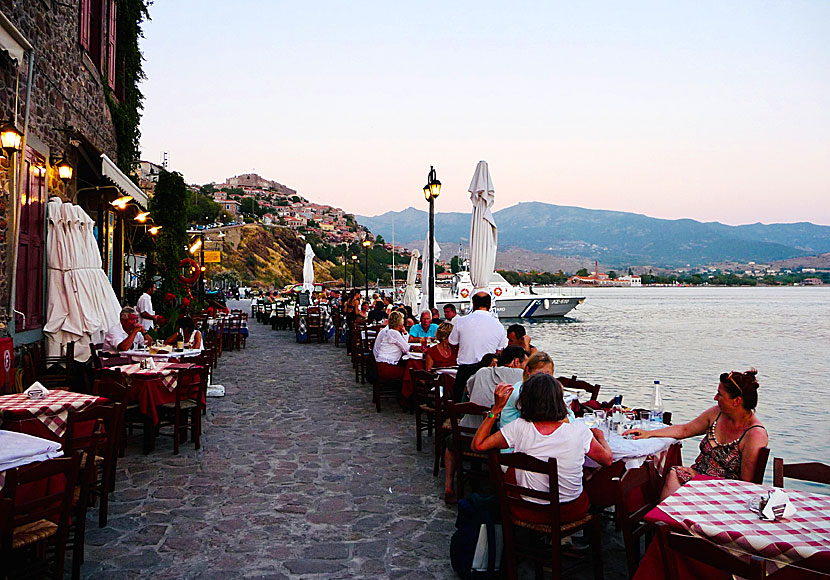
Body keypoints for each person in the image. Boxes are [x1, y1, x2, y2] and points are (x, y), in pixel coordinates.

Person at [471, 374, 613, 522]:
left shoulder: (518, 427)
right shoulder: (579, 430)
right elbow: (607, 460)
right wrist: (600, 437)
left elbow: (478, 445)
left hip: (527, 510)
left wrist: (496, 409)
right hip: (569, 512)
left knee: (514, 471)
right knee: (589, 475)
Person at [624, 369, 768, 501]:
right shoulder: (716, 413)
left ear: (736, 401)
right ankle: (666, 523)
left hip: (725, 492)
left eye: (720, 394)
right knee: (674, 473)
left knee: (674, 480)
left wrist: (706, 484)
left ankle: (668, 522)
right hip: (697, 478)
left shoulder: (754, 434)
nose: (715, 397)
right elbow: (685, 430)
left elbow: (746, 484)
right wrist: (649, 434)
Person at [442, 346, 527, 503]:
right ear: (516, 362)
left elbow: (468, 390)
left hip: (466, 436)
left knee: (450, 445)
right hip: (492, 440)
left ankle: (449, 487)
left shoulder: (482, 371)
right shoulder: (521, 376)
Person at [448, 292, 508, 402]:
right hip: (488, 371)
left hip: (465, 370)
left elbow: (452, 343)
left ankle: (456, 418)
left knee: (458, 404)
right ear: (490, 305)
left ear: (473, 305)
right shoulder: (498, 326)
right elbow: (499, 351)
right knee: (485, 403)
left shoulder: (461, 321)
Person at [371, 311, 411, 380]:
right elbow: (406, 348)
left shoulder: (390, 332)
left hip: (381, 364)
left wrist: (404, 332)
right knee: (410, 372)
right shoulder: (394, 333)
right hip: (386, 367)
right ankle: (407, 390)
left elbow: (405, 344)